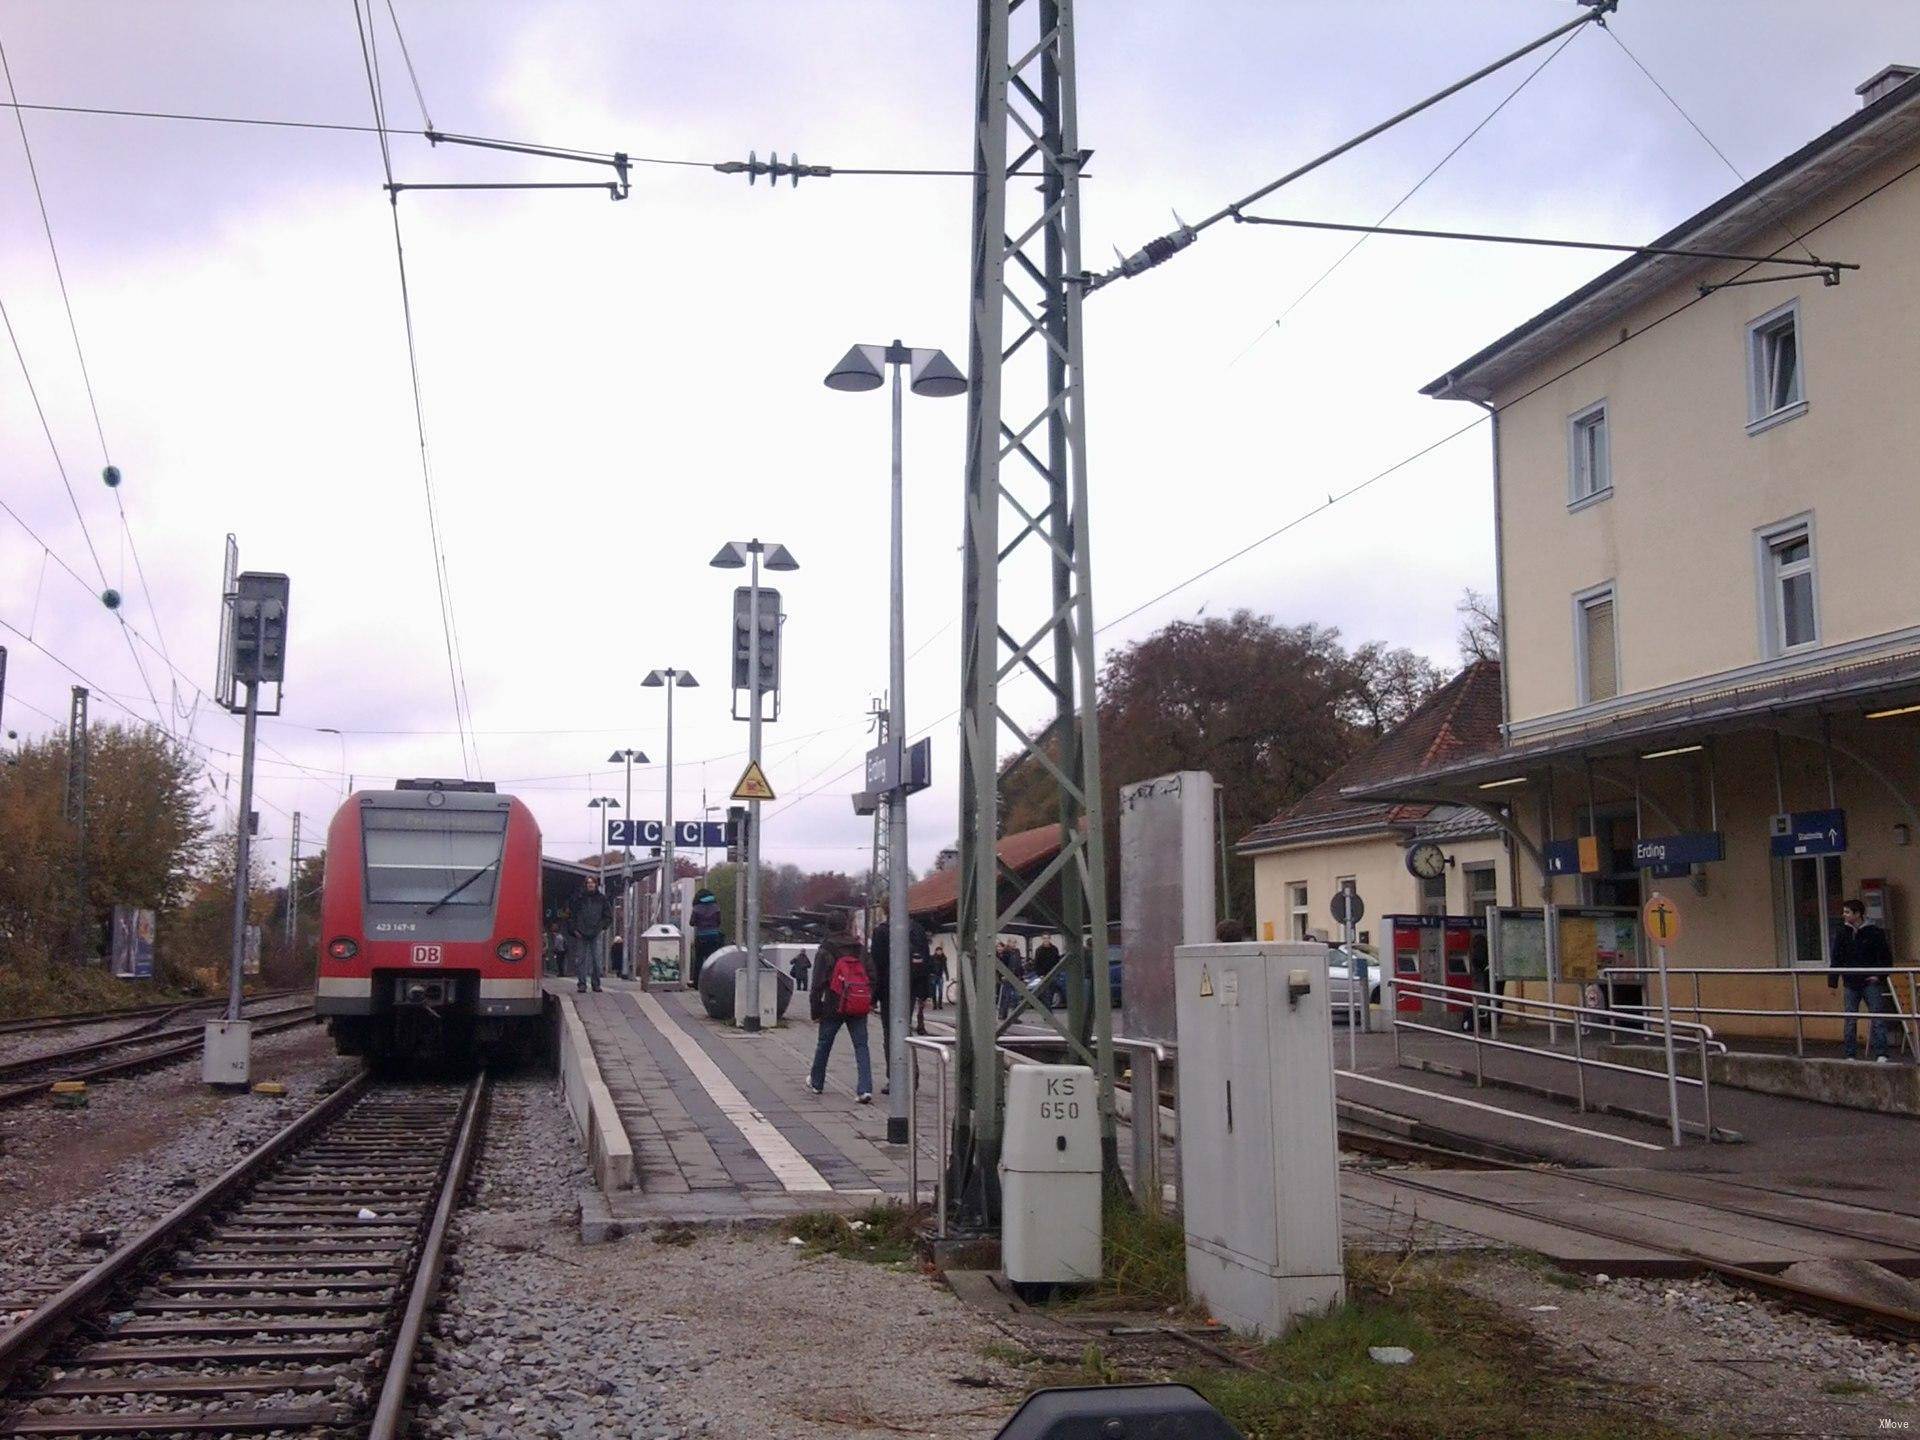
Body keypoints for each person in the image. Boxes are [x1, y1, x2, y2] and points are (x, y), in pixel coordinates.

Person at [808, 937, 875, 1102]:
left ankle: (817, 1083)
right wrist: (868, 999)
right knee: (861, 1046)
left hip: (833, 1005)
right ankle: (865, 1088)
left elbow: (817, 984)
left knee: (824, 1044)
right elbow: (873, 975)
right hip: (857, 1004)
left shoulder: (825, 949)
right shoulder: (859, 949)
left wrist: (816, 1011)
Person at [869, 903, 931, 1081]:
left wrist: (874, 997)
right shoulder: (917, 929)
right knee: (905, 1030)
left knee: (890, 1033)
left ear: (884, 910)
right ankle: (913, 1075)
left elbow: (877, 967)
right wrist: (924, 993)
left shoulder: (882, 932)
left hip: (889, 990)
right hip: (911, 987)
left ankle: (895, 1078)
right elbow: (925, 962)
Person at [1831, 898, 1895, 1062]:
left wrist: (1879, 976)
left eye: (1847, 912)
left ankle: (1881, 1053)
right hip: (1851, 982)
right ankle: (1850, 1053)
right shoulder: (1842, 933)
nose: (1843, 915)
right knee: (1850, 1019)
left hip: (1870, 981)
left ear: (1857, 914)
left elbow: (1886, 958)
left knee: (1877, 1017)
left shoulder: (1874, 932)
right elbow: (1836, 957)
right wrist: (1833, 981)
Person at [569, 876, 614, 994]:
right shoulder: (578, 899)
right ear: (585, 885)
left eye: (592, 883)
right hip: (581, 933)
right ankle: (582, 984)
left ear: (596, 884)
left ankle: (596, 983)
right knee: (581, 960)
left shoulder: (602, 899)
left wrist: (602, 927)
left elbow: (608, 916)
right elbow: (572, 915)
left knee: (597, 960)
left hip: (595, 933)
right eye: (588, 883)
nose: (590, 885)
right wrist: (574, 929)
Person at [689, 888, 725, 985]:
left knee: (699, 960)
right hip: (714, 936)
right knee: (712, 960)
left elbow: (691, 923)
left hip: (701, 937)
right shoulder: (716, 907)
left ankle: (696, 983)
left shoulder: (696, 908)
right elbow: (719, 922)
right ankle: (712, 982)